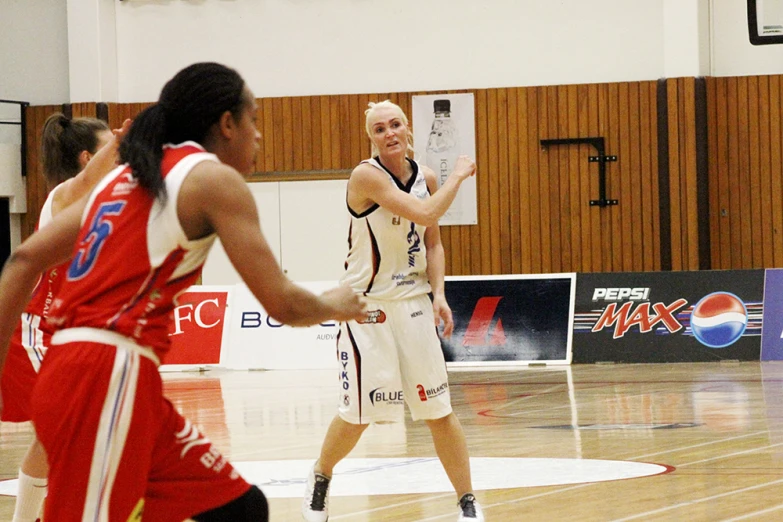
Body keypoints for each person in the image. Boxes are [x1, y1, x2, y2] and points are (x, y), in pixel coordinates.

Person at [0, 62, 366, 522]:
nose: (259, 137)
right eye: (253, 120)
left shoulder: (122, 177)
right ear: (227, 124)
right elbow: (285, 304)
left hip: (103, 380)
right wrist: (339, 302)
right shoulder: (211, 180)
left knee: (241, 508)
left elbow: (21, 262)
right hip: (105, 376)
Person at [302, 100, 484, 522]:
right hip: (367, 307)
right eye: (380, 128)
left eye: (395, 124)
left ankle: (467, 501)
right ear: (372, 138)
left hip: (414, 304)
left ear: (407, 129)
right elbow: (423, 211)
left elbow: (433, 242)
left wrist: (438, 293)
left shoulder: (428, 176)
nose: (389, 133)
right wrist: (458, 177)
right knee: (360, 414)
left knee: (439, 410)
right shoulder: (365, 176)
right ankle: (321, 476)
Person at [1, 112, 129, 522]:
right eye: (112, 143)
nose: (121, 148)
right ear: (88, 156)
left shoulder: (107, 198)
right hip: (45, 328)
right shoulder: (64, 195)